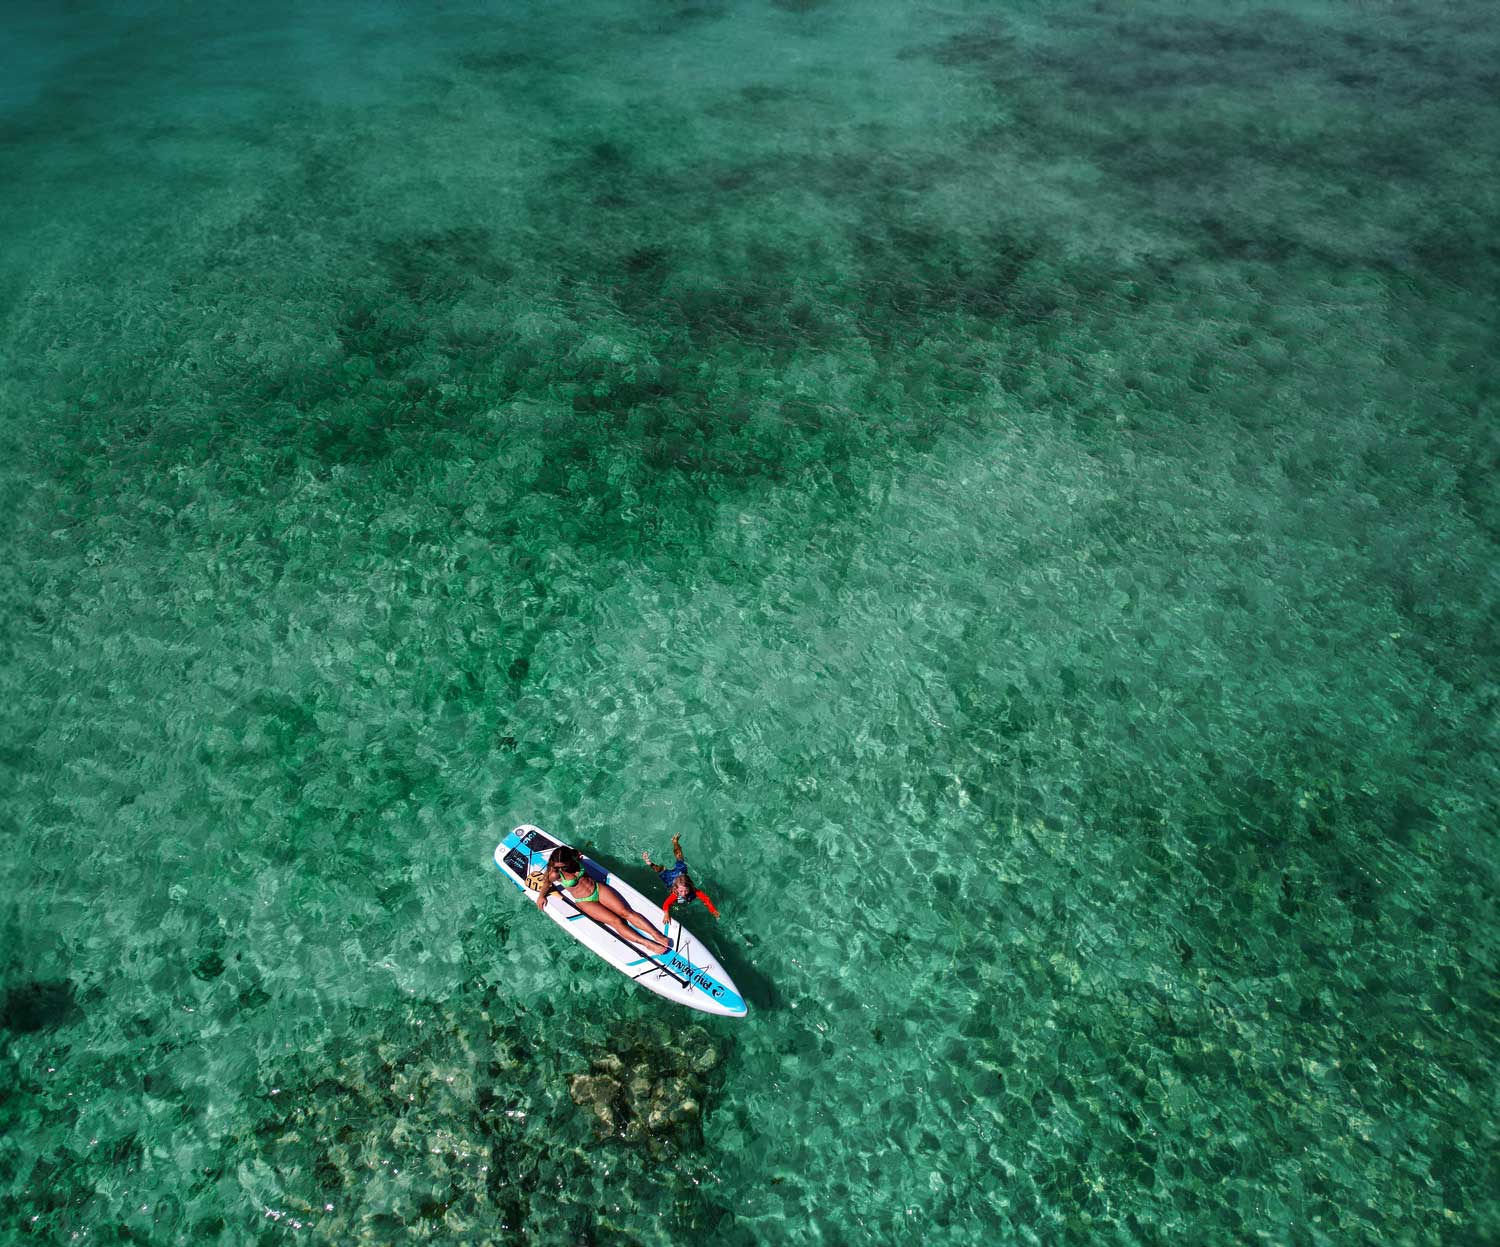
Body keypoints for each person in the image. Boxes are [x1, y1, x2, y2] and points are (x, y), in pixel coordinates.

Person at [535, 846, 671, 955]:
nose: (560, 868)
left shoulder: (573, 856)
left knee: (626, 912)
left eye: (563, 866)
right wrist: (541, 896)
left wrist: (579, 856)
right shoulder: (555, 873)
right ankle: (647, 944)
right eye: (558, 866)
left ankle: (656, 935)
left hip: (597, 889)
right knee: (616, 921)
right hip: (584, 901)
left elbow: (577, 853)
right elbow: (547, 883)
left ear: (569, 859)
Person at [642, 834, 720, 926]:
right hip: (670, 878)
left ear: (690, 887)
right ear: (676, 889)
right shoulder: (675, 893)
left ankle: (675, 842)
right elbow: (666, 904)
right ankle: (650, 863)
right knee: (661, 871)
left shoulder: (694, 891)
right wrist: (666, 913)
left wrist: (713, 910)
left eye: (686, 890)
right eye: (681, 891)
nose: (683, 893)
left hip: (680, 872)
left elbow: (706, 899)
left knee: (679, 857)